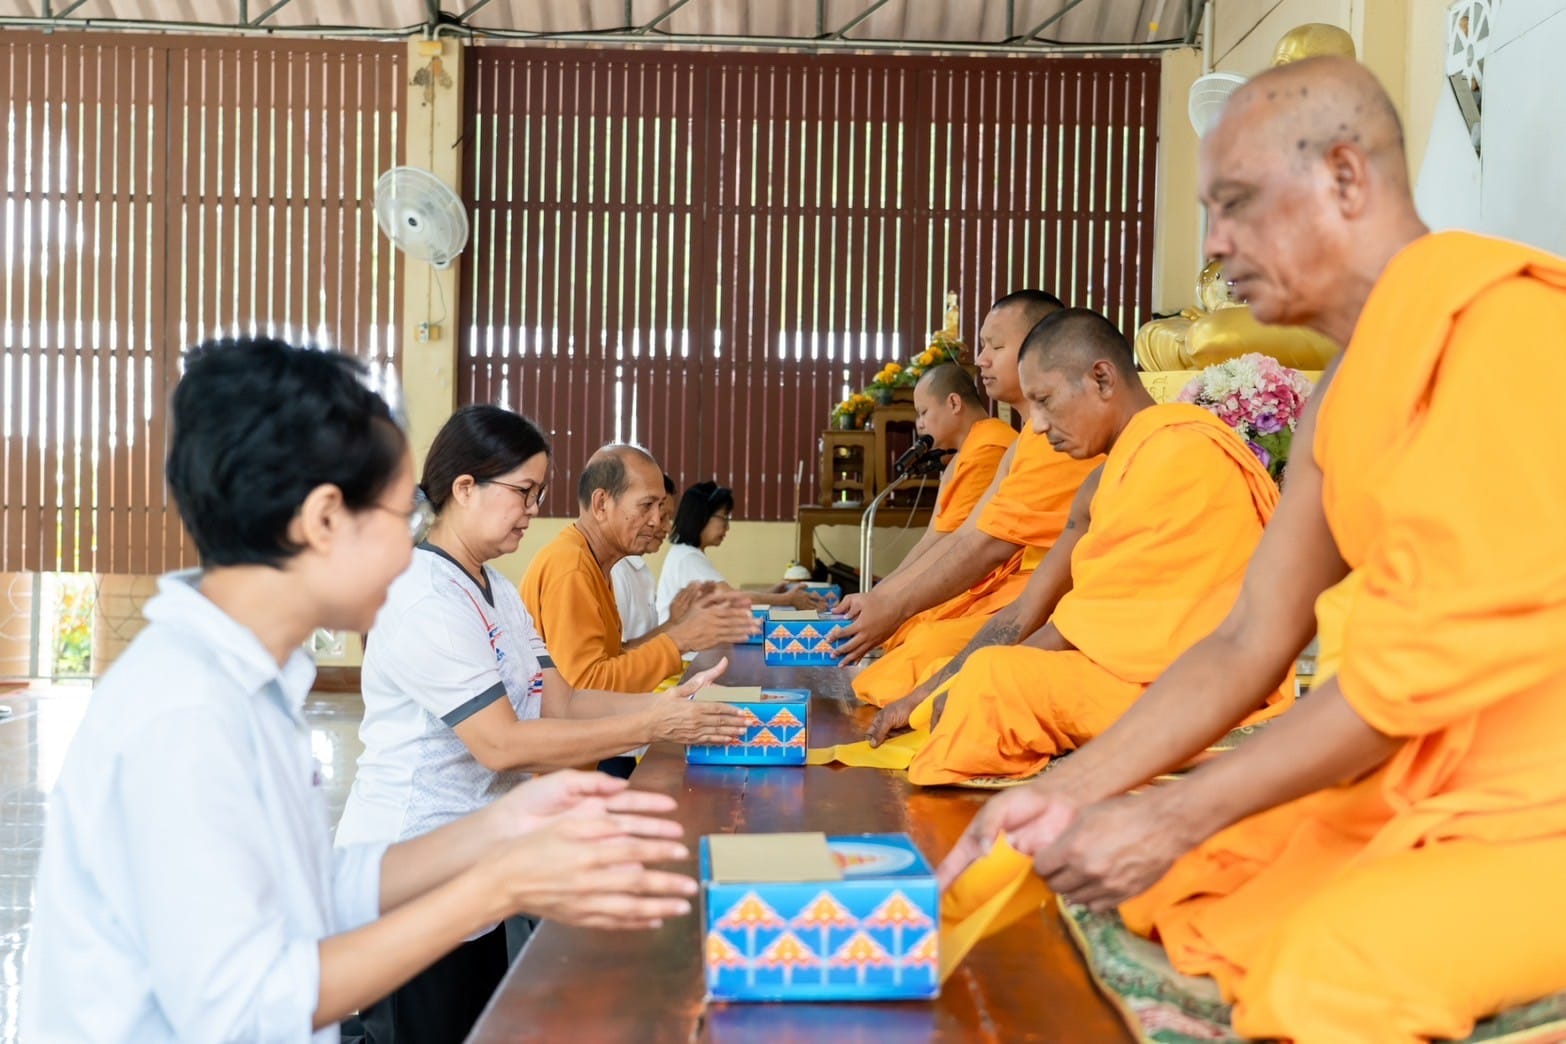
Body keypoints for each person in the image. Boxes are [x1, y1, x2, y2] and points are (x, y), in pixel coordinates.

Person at [938, 58, 1566, 1041]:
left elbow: (1399, 684)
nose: (1216, 244)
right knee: (1183, 883)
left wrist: (1170, 812)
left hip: (1541, 806)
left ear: (1345, 177)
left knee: (1327, 973)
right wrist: (1064, 794)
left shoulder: (1511, 331)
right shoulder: (1342, 393)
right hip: (1416, 776)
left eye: (1234, 203)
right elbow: (1248, 638)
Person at [21, 340, 702, 1043]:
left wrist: (502, 829)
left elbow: (312, 887)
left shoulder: (250, 681)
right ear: (324, 519)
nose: (411, 548)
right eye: (399, 516)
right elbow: (246, 1004)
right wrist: (499, 883)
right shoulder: (187, 712)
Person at [337, 407, 747, 1043]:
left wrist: (672, 707)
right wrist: (655, 721)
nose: (533, 510)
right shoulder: (424, 596)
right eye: (523, 492)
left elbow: (563, 702)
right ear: (465, 488)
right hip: (411, 867)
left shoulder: (496, 590)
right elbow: (500, 743)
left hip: (474, 858)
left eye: (538, 494)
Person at [860, 308, 1290, 785]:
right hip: (1120, 672)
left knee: (992, 681)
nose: (1038, 426)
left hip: (1189, 683)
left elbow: (1085, 626)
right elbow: (1026, 611)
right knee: (977, 671)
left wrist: (972, 681)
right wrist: (930, 691)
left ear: (1101, 378)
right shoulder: (1098, 483)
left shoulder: (1181, 451)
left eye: (1045, 401)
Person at [840, 291, 1101, 703]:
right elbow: (967, 534)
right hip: (1015, 588)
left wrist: (893, 604)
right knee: (913, 645)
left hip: (1045, 596)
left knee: (916, 657)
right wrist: (884, 599)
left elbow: (986, 545)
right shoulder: (1021, 442)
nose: (980, 360)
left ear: (1040, 345)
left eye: (994, 346)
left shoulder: (1054, 439)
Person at [521, 446, 757, 694]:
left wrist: (677, 630)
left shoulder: (595, 562)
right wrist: (679, 640)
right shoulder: (572, 567)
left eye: (660, 507)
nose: (656, 521)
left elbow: (612, 659)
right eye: (646, 505)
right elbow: (585, 688)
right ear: (601, 504)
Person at [873, 363, 1016, 647]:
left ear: (953, 403)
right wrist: (882, 595)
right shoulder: (966, 453)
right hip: (965, 577)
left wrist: (885, 598)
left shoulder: (989, 449)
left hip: (989, 584)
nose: (919, 424)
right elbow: (934, 535)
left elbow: (950, 541)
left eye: (924, 412)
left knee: (912, 635)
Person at [654, 481, 824, 622]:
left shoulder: (686, 553)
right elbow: (730, 598)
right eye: (724, 518)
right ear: (701, 516)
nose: (727, 527)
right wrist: (787, 599)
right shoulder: (688, 558)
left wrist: (773, 591)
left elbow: (729, 594)